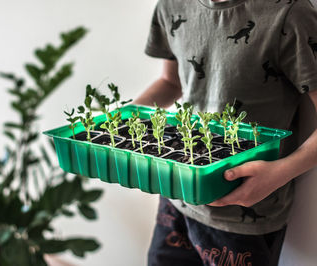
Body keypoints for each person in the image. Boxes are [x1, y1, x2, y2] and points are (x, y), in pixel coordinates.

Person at [132, 0, 317, 265]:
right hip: (176, 194)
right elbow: (170, 81)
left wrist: (280, 173)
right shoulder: (171, 5)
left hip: (243, 216)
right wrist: (119, 119)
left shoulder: (290, 13)